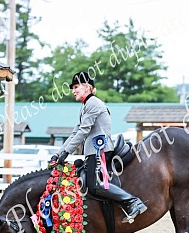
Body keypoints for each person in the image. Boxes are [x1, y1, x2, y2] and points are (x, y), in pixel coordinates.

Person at [50, 71, 147, 223]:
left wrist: (66, 153)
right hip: (92, 151)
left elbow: (83, 131)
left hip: (99, 150)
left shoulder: (93, 103)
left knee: (94, 184)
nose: (73, 90)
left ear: (87, 87)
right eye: (73, 87)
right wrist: (59, 153)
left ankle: (132, 201)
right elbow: (76, 131)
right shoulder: (85, 106)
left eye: (76, 87)